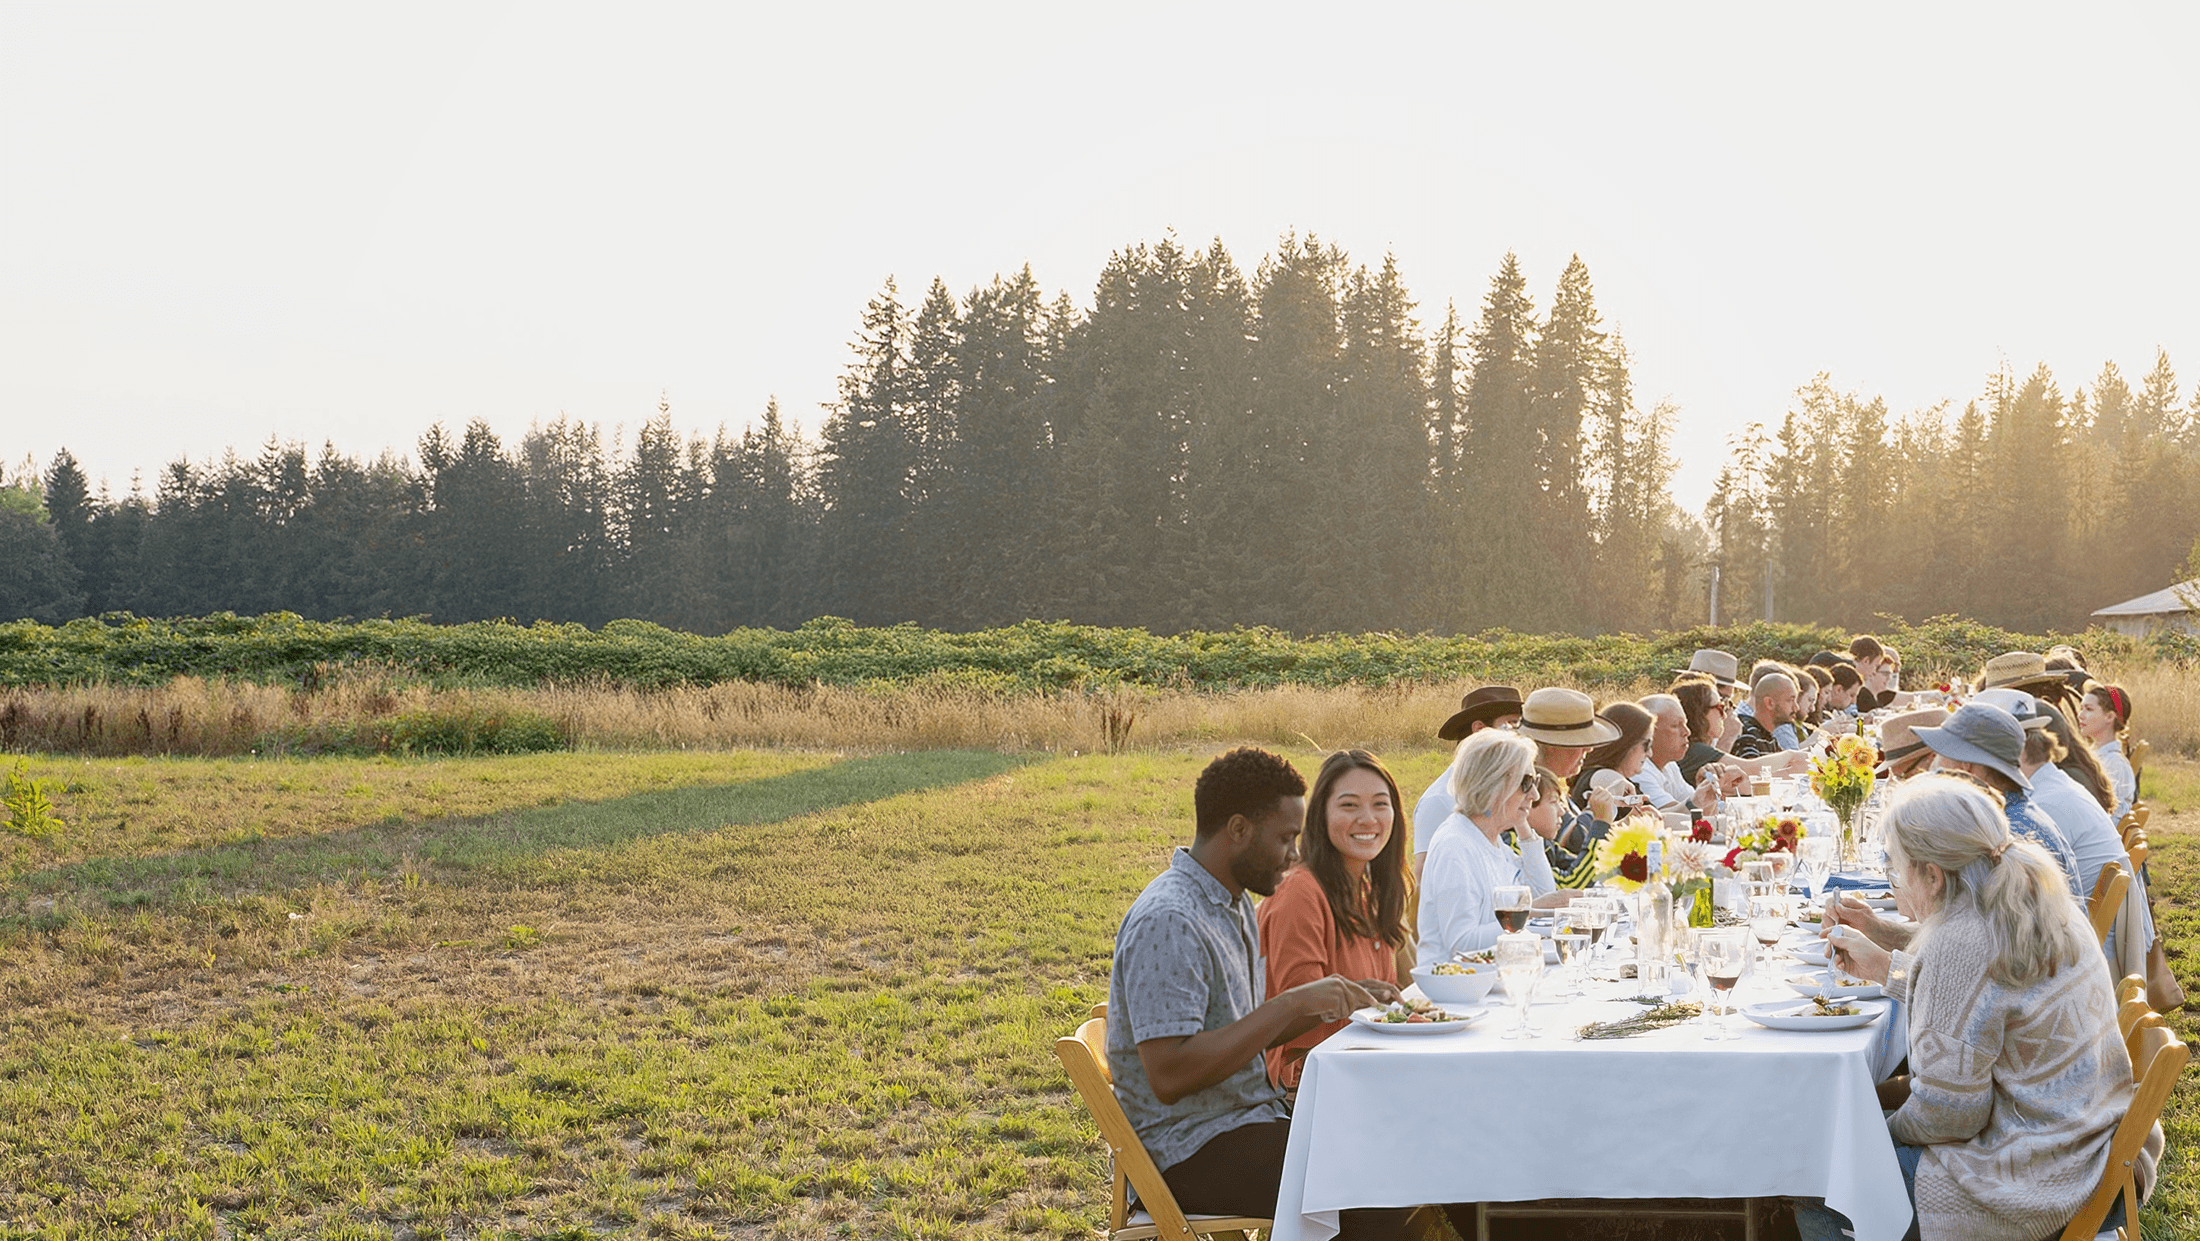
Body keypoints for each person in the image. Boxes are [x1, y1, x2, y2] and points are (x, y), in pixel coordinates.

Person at [1809, 775, 2151, 1241]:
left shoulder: (1959, 941)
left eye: (1897, 869)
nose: (1896, 884)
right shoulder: (2031, 896)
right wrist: (1882, 940)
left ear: (1932, 874)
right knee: (1858, 1113)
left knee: (1822, 1185)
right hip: (2095, 1146)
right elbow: (1987, 997)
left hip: (2039, 1179)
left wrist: (1868, 1134)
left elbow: (1949, 1115)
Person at [1108, 747, 1410, 1234]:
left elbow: (1241, 1036)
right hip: (1187, 1150)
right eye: (1286, 838)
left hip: (1245, 1120)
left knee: (1397, 1150)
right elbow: (1169, 1075)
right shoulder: (1170, 918)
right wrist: (1291, 1003)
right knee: (1375, 1182)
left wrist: (1333, 998)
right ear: (1239, 830)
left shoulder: (1230, 904)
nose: (1295, 854)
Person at [1258, 750, 1411, 1093]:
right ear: (1320, 816)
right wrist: (1357, 997)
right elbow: (1296, 1013)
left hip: (1366, 1065)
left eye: (1380, 804)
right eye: (1349, 805)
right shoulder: (1300, 891)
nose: (1368, 819)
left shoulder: (1370, 890)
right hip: (1308, 1086)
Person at [1417, 728, 1566, 967]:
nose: (1535, 794)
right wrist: (1529, 912)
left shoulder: (1491, 841)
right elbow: (1461, 943)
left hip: (1490, 983)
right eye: (1527, 783)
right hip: (1455, 990)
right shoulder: (1456, 845)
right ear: (1493, 784)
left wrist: (1524, 828)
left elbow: (1541, 893)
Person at [1911, 703, 2082, 896]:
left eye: (1940, 755)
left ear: (1963, 768)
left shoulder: (2003, 837)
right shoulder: (2016, 813)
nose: (1935, 766)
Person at [1411, 685, 1526, 864]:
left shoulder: (1511, 791)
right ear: (1479, 729)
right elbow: (1424, 877)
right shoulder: (1438, 800)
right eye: (1511, 724)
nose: (1519, 735)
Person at [1510, 687, 1623, 858]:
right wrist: (1602, 810)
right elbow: (1576, 841)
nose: (1589, 748)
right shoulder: (1530, 787)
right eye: (1580, 742)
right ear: (1552, 745)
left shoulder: (1548, 783)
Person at [1567, 701, 1655, 808]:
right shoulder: (1603, 777)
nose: (1650, 753)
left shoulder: (1607, 776)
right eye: (1647, 744)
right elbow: (1604, 778)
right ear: (1627, 743)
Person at [2078, 682, 2138, 819]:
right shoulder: (2095, 755)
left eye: (2089, 709)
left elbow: (2110, 818)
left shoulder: (2114, 764)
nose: (2080, 715)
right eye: (2081, 708)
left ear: (2110, 717)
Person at [1731, 670, 1797, 759]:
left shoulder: (1768, 737)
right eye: (1790, 700)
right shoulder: (1747, 733)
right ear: (1769, 703)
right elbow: (1752, 769)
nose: (1796, 708)